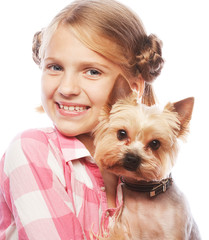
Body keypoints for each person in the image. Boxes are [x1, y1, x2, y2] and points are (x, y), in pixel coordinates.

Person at [0, 0, 164, 239]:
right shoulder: (32, 150)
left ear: (132, 89)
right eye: (55, 67)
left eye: (92, 71)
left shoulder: (143, 170)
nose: (66, 88)